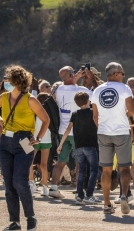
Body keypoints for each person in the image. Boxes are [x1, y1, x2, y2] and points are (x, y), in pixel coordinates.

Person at [0, 65, 50, 231]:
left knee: (20, 181)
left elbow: (46, 119)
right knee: (8, 184)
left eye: (7, 78)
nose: (5, 81)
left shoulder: (30, 99)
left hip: (25, 140)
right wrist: (1, 121)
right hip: (6, 141)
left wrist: (38, 138)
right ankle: (14, 221)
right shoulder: (4, 97)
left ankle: (31, 218)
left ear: (16, 81)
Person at [90, 62, 134, 215]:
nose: (123, 76)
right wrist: (124, 114)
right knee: (124, 168)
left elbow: (95, 116)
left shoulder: (97, 91)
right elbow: (132, 111)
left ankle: (106, 203)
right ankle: (123, 195)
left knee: (106, 170)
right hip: (121, 132)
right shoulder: (124, 88)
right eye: (122, 73)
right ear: (116, 73)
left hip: (103, 132)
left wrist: (102, 126)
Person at [47, 66, 89, 199]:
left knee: (61, 162)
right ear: (72, 75)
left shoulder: (58, 90)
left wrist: (74, 76)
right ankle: (79, 189)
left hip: (62, 131)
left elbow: (67, 83)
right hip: (78, 131)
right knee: (80, 162)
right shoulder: (80, 90)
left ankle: (53, 187)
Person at [57, 91, 100, 204]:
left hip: (78, 146)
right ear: (88, 100)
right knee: (94, 170)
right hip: (91, 145)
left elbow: (67, 129)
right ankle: (89, 195)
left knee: (81, 171)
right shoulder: (93, 112)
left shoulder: (75, 114)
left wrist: (61, 144)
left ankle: (80, 196)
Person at [34, 93, 53, 197]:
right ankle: (45, 186)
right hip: (46, 139)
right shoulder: (49, 111)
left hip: (33, 139)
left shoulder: (33, 110)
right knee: (43, 165)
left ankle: (31, 183)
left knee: (29, 162)